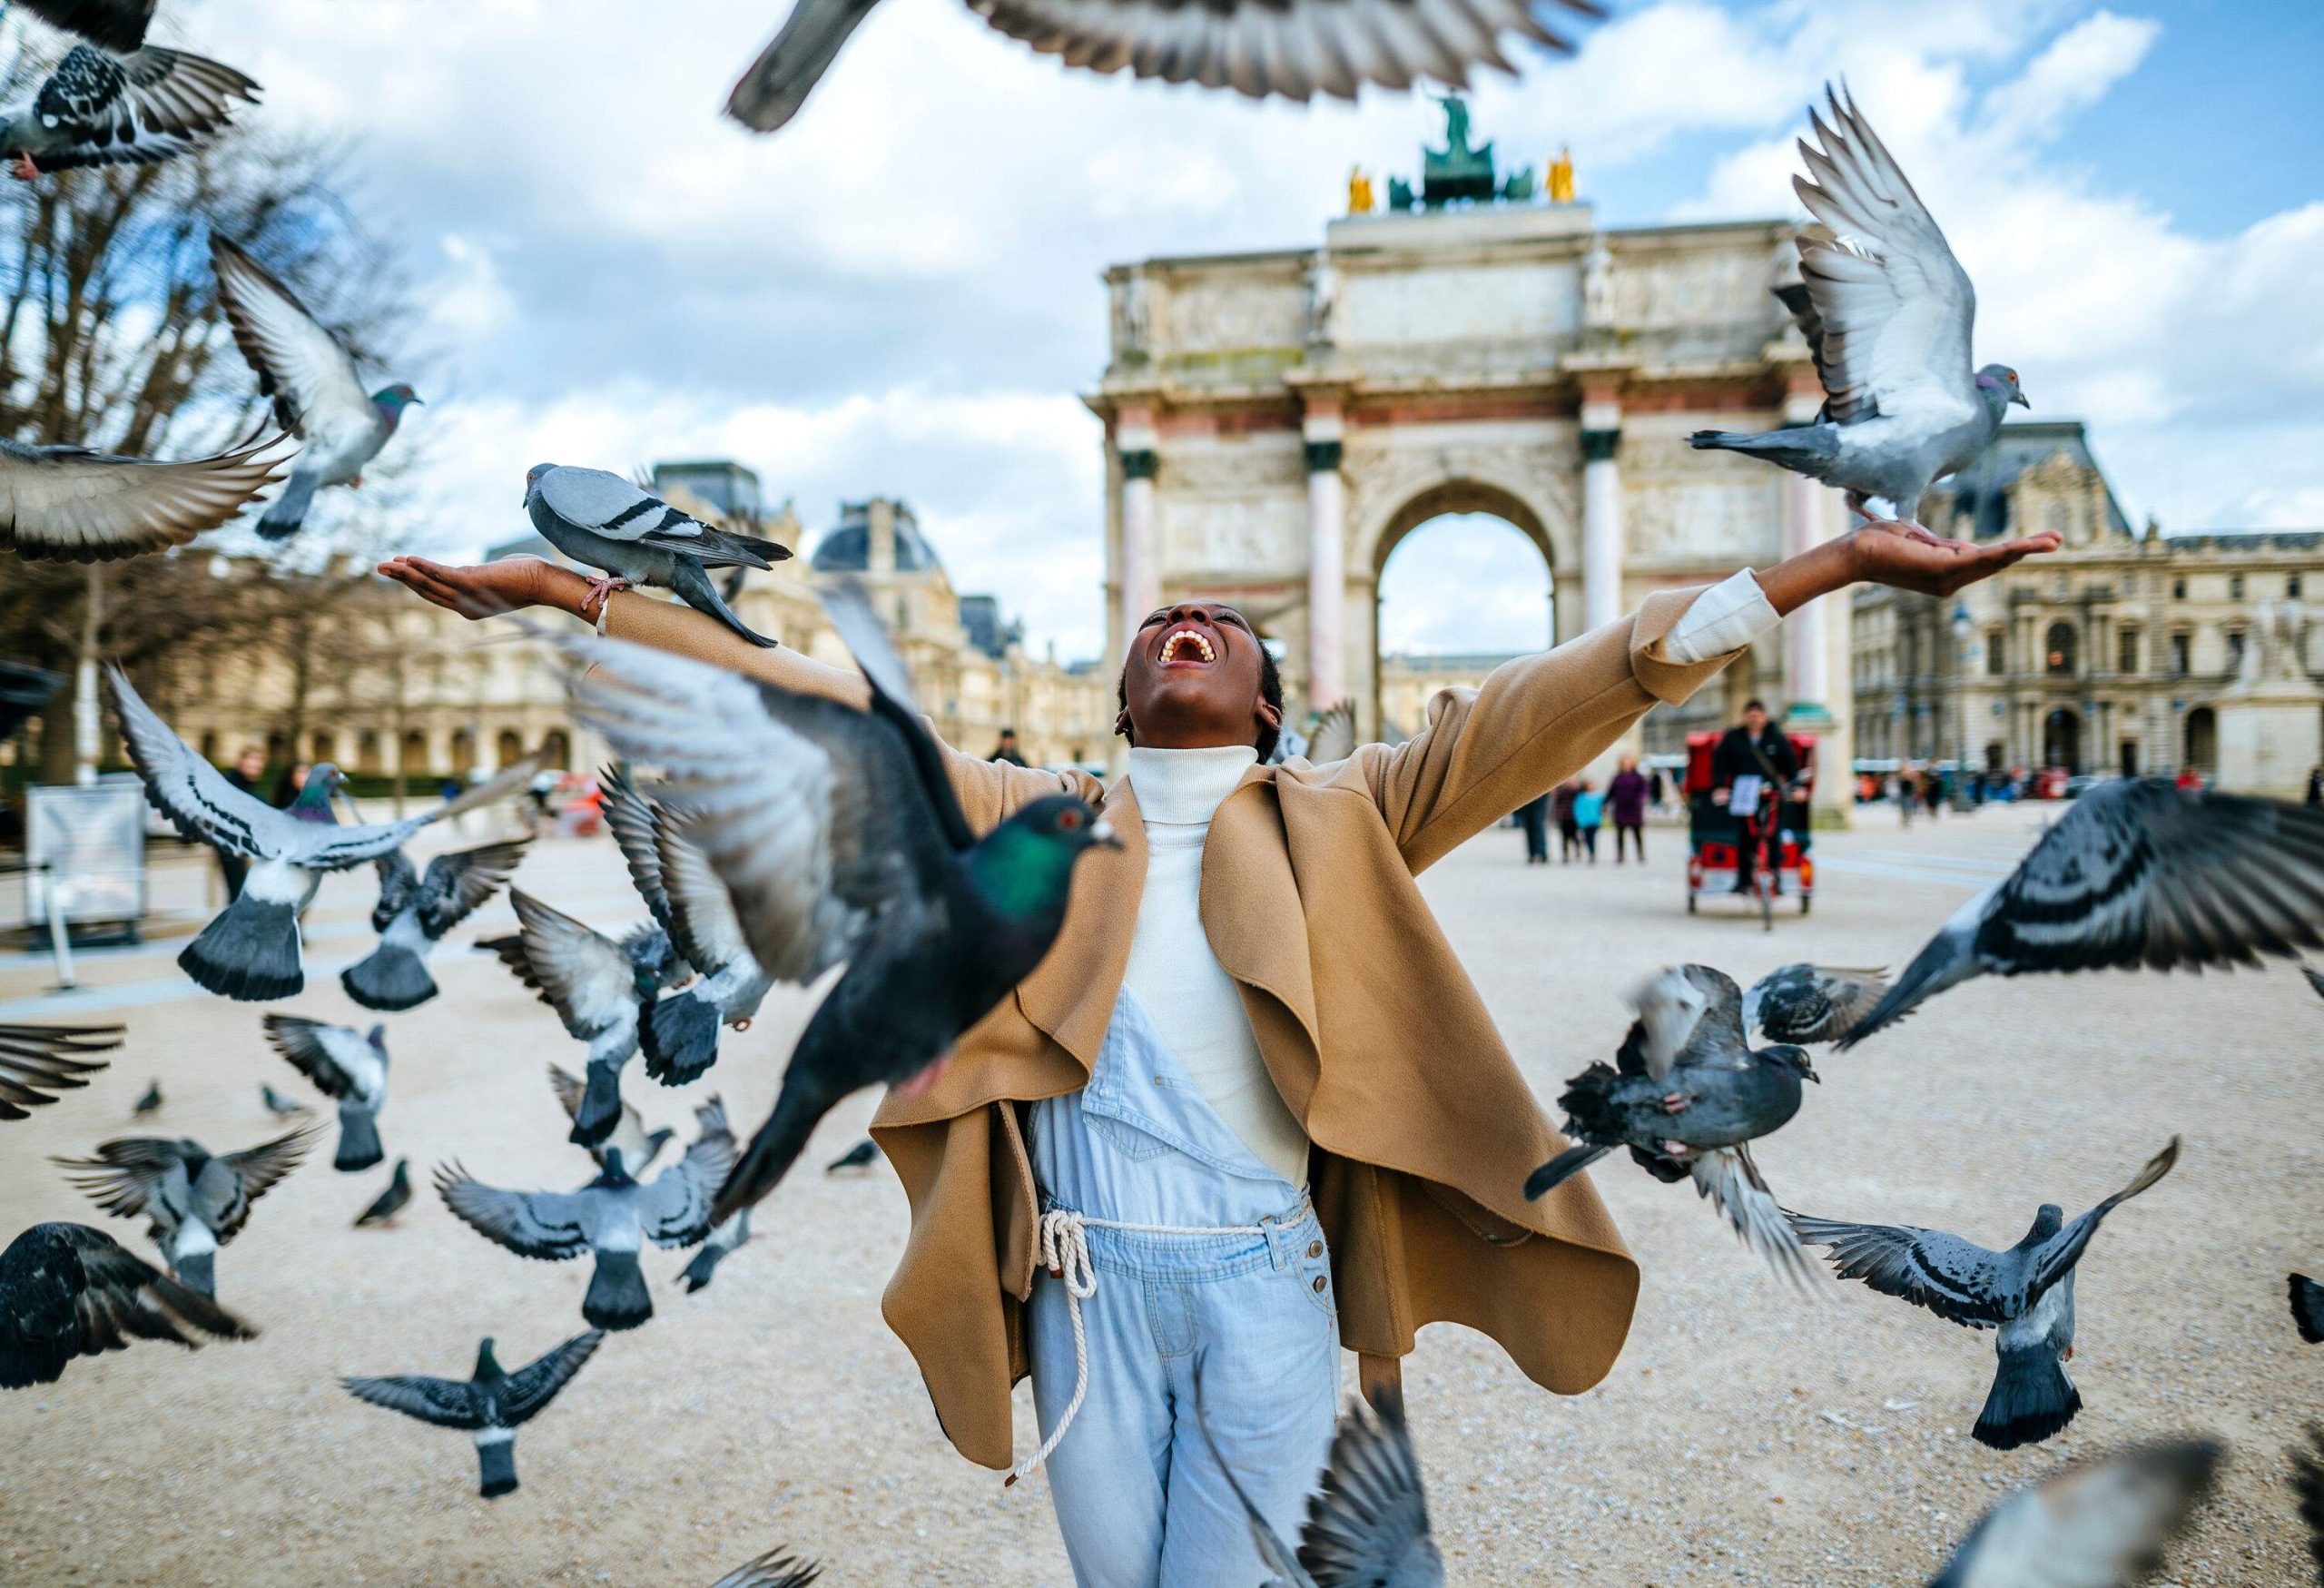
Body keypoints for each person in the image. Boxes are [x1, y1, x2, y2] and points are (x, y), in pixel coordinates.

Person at [377, 512, 2053, 1587]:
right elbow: (801, 693)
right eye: (1158, 617)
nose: (1185, 618)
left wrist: (1816, 570)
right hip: (1081, 1284)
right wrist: (584, 600)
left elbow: (1558, 697)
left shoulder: (1350, 803)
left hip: (1265, 1283)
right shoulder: (1022, 809)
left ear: (1261, 703)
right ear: (1120, 695)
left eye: (1220, 622)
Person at [1710, 700, 1800, 896]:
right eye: (1750, 714)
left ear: (1765, 716)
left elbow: (1790, 763)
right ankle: (1743, 880)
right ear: (1744, 717)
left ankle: (1775, 876)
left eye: (1758, 714)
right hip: (1743, 792)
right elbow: (1720, 763)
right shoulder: (1733, 737)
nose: (1754, 718)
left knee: (1774, 834)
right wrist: (1719, 788)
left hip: (1771, 794)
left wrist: (1797, 786)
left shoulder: (1777, 737)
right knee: (1744, 836)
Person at [217, 746, 265, 897]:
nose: (255, 769)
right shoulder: (231, 783)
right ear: (241, 763)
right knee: (238, 891)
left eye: (258, 766)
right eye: (251, 764)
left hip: (239, 845)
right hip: (230, 845)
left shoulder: (246, 785)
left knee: (241, 891)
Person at [1608, 755, 1649, 864]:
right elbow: (1611, 792)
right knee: (1620, 834)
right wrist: (1605, 803)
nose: (1626, 765)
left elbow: (1643, 790)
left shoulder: (1638, 777)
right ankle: (1620, 856)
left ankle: (1640, 854)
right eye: (1624, 763)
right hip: (1621, 808)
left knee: (1637, 833)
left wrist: (1640, 799)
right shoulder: (1617, 777)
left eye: (1628, 762)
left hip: (1634, 808)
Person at [1571, 779, 1603, 863]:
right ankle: (1589, 851)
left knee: (1592, 837)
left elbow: (1602, 808)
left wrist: (1600, 818)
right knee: (1586, 838)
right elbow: (1578, 809)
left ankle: (1592, 853)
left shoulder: (1599, 796)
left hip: (1595, 821)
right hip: (1585, 822)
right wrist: (1580, 821)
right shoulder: (1581, 797)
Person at [1514, 791, 1550, 864]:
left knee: (1537, 822)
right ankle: (1533, 853)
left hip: (1540, 792)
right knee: (1529, 824)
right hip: (1525, 793)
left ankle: (1541, 852)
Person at [1552, 778, 1581, 862]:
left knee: (1574, 836)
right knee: (1564, 838)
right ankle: (1565, 854)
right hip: (1564, 817)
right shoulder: (1562, 792)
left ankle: (1577, 850)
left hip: (1574, 818)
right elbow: (1557, 803)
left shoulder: (1578, 792)